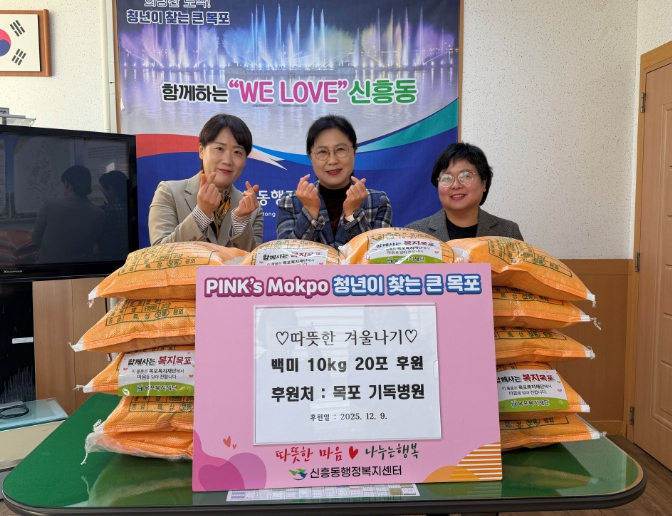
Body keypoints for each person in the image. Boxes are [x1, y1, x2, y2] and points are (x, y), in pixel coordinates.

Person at [148, 114, 263, 250]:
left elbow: (254, 260)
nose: (227, 160)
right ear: (201, 151)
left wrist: (240, 222)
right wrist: (201, 214)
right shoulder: (169, 193)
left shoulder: (252, 210)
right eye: (219, 149)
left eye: (237, 152)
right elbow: (159, 253)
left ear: (245, 160)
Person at [276, 115, 392, 248]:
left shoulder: (378, 201)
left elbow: (380, 255)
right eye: (322, 152)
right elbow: (286, 257)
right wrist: (310, 211)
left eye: (340, 150)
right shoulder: (291, 202)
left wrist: (353, 214)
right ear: (310, 156)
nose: (332, 160)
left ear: (354, 151)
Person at [406, 142, 523, 241]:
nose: (456, 185)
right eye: (447, 178)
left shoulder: (508, 233)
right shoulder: (415, 234)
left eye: (465, 176)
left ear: (484, 183)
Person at [32, 165, 106, 264]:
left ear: (66, 183)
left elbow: (36, 240)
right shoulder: (100, 213)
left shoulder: (49, 207)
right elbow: (97, 243)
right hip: (84, 269)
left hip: (49, 268)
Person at [98, 170, 129, 261]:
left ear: (110, 190)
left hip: (109, 261)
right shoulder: (133, 208)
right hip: (129, 260)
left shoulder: (104, 210)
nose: (102, 191)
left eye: (102, 188)